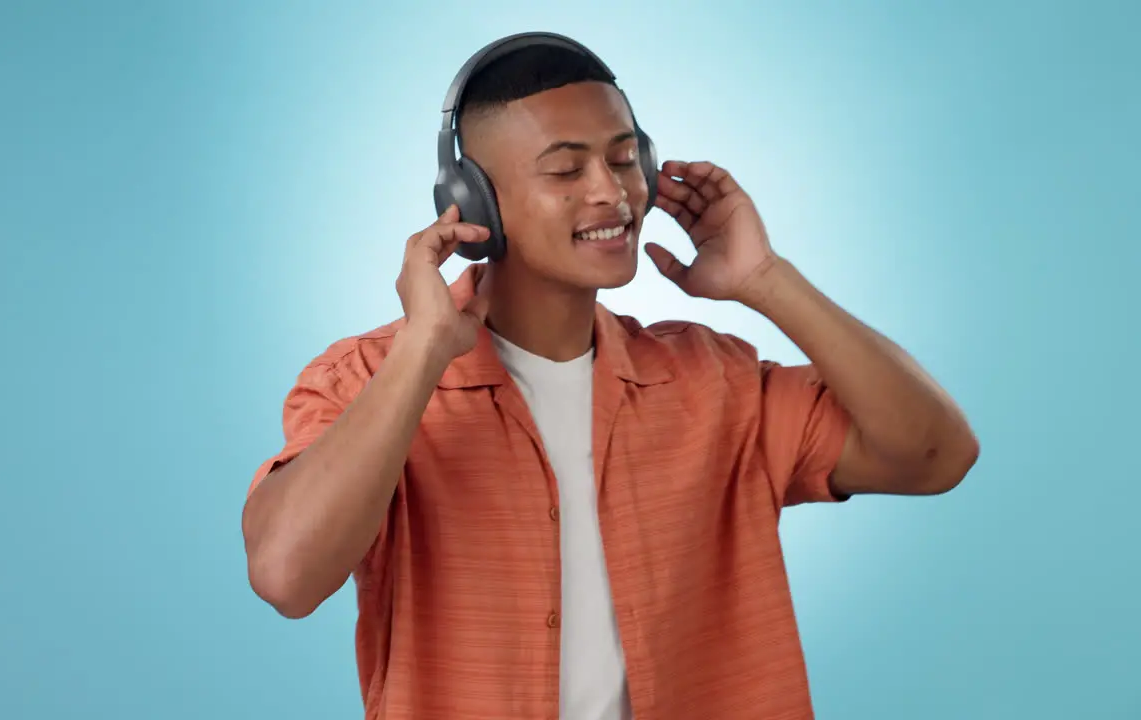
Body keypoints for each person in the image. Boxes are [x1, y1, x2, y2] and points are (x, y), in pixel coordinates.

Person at [241, 33, 979, 720]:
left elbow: (937, 454)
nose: (612, 192)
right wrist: (422, 353)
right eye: (566, 169)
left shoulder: (714, 382)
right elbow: (285, 576)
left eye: (625, 159)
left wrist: (766, 279)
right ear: (471, 202)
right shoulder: (367, 377)